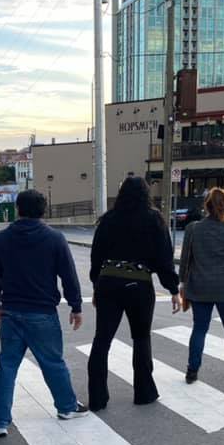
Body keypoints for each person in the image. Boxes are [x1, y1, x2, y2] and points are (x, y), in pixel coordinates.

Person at [0, 189, 87, 437]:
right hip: (42, 312)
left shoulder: (1, 239)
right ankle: (66, 406)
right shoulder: (55, 238)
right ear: (44, 211)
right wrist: (76, 306)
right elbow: (68, 275)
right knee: (53, 363)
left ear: (18, 209)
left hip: (11, 311)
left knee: (7, 366)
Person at [87, 176, 180, 412]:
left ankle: (97, 398)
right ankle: (144, 392)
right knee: (141, 339)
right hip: (139, 285)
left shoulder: (108, 220)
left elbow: (96, 257)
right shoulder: (154, 220)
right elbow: (164, 259)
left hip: (109, 282)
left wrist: (97, 285)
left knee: (102, 340)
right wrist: (173, 289)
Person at [179, 187, 224, 385]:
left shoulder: (193, 229)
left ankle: (192, 370)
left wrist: (182, 284)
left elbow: (185, 260)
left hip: (199, 286)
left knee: (199, 329)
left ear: (207, 206)